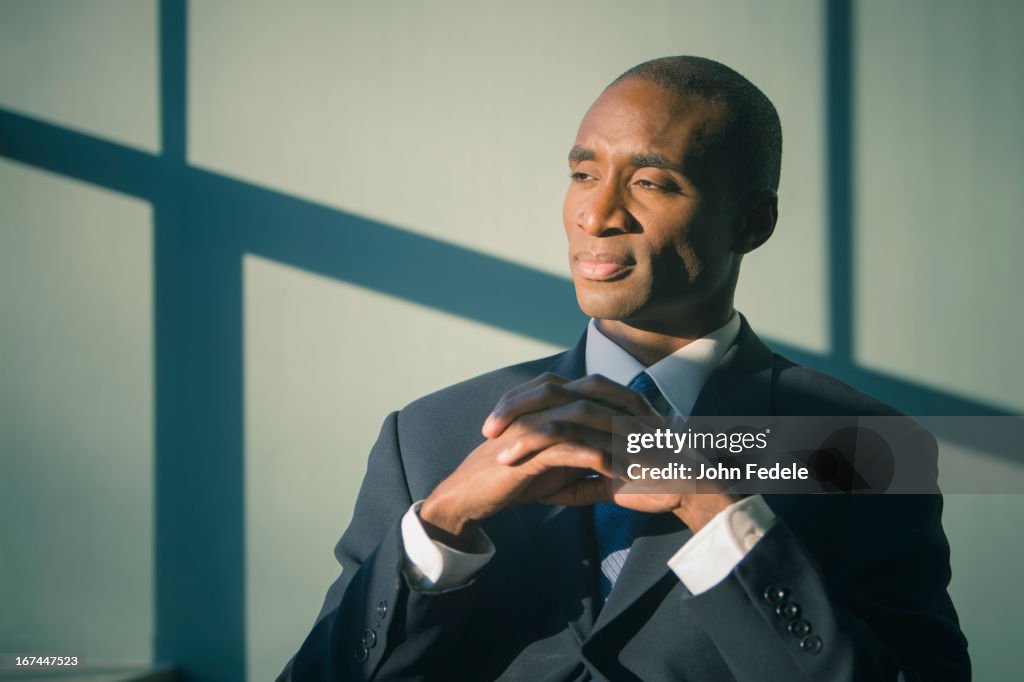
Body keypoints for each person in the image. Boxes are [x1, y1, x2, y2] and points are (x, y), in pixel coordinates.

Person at [280, 56, 969, 681]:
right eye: (583, 174)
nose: (597, 213)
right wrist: (440, 527)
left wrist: (714, 509)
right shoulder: (427, 436)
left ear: (751, 224)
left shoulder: (865, 444)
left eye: (650, 182)